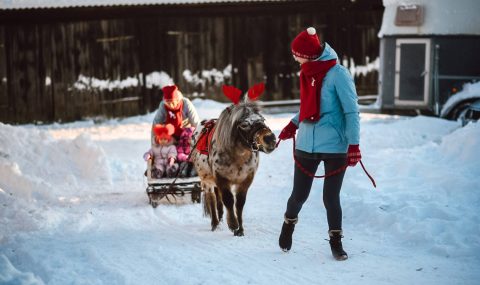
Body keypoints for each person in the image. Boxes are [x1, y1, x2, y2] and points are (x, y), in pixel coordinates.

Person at [276, 27, 361, 261]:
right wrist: (293, 124)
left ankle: (336, 242)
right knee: (298, 196)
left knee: (330, 198)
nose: (294, 57)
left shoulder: (338, 74)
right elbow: (308, 106)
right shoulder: (307, 72)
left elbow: (352, 112)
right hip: (306, 145)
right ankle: (288, 225)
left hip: (335, 147)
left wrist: (353, 145)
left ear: (308, 54)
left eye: (296, 53)